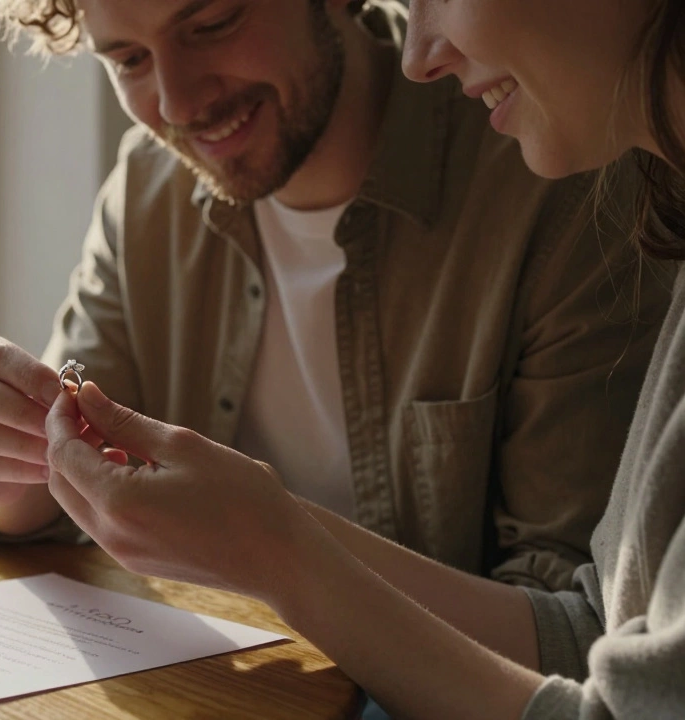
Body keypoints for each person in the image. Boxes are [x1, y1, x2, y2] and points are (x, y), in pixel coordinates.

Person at [44, 0, 685, 716]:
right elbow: (594, 638)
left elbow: (579, 647)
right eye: (128, 59)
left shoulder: (565, 179)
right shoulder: (146, 190)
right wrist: (1, 456)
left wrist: (274, 547)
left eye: (215, 21)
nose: (177, 101)